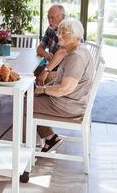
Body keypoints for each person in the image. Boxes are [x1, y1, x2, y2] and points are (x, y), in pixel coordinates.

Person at [32, 18, 94, 152]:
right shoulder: (74, 50)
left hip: (69, 104)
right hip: (72, 101)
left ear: (77, 36)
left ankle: (24, 152)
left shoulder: (76, 57)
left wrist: (43, 89)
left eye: (64, 33)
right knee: (29, 97)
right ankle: (50, 138)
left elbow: (65, 88)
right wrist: (42, 90)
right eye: (59, 32)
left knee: (24, 105)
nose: (59, 36)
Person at [35, 5, 67, 86]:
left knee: (46, 77)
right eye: (48, 17)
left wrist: (45, 71)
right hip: (52, 67)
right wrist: (45, 54)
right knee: (29, 73)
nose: (50, 21)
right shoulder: (50, 29)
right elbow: (39, 48)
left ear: (63, 17)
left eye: (52, 18)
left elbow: (62, 53)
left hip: (65, 71)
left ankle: (37, 94)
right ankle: (32, 96)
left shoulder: (69, 30)